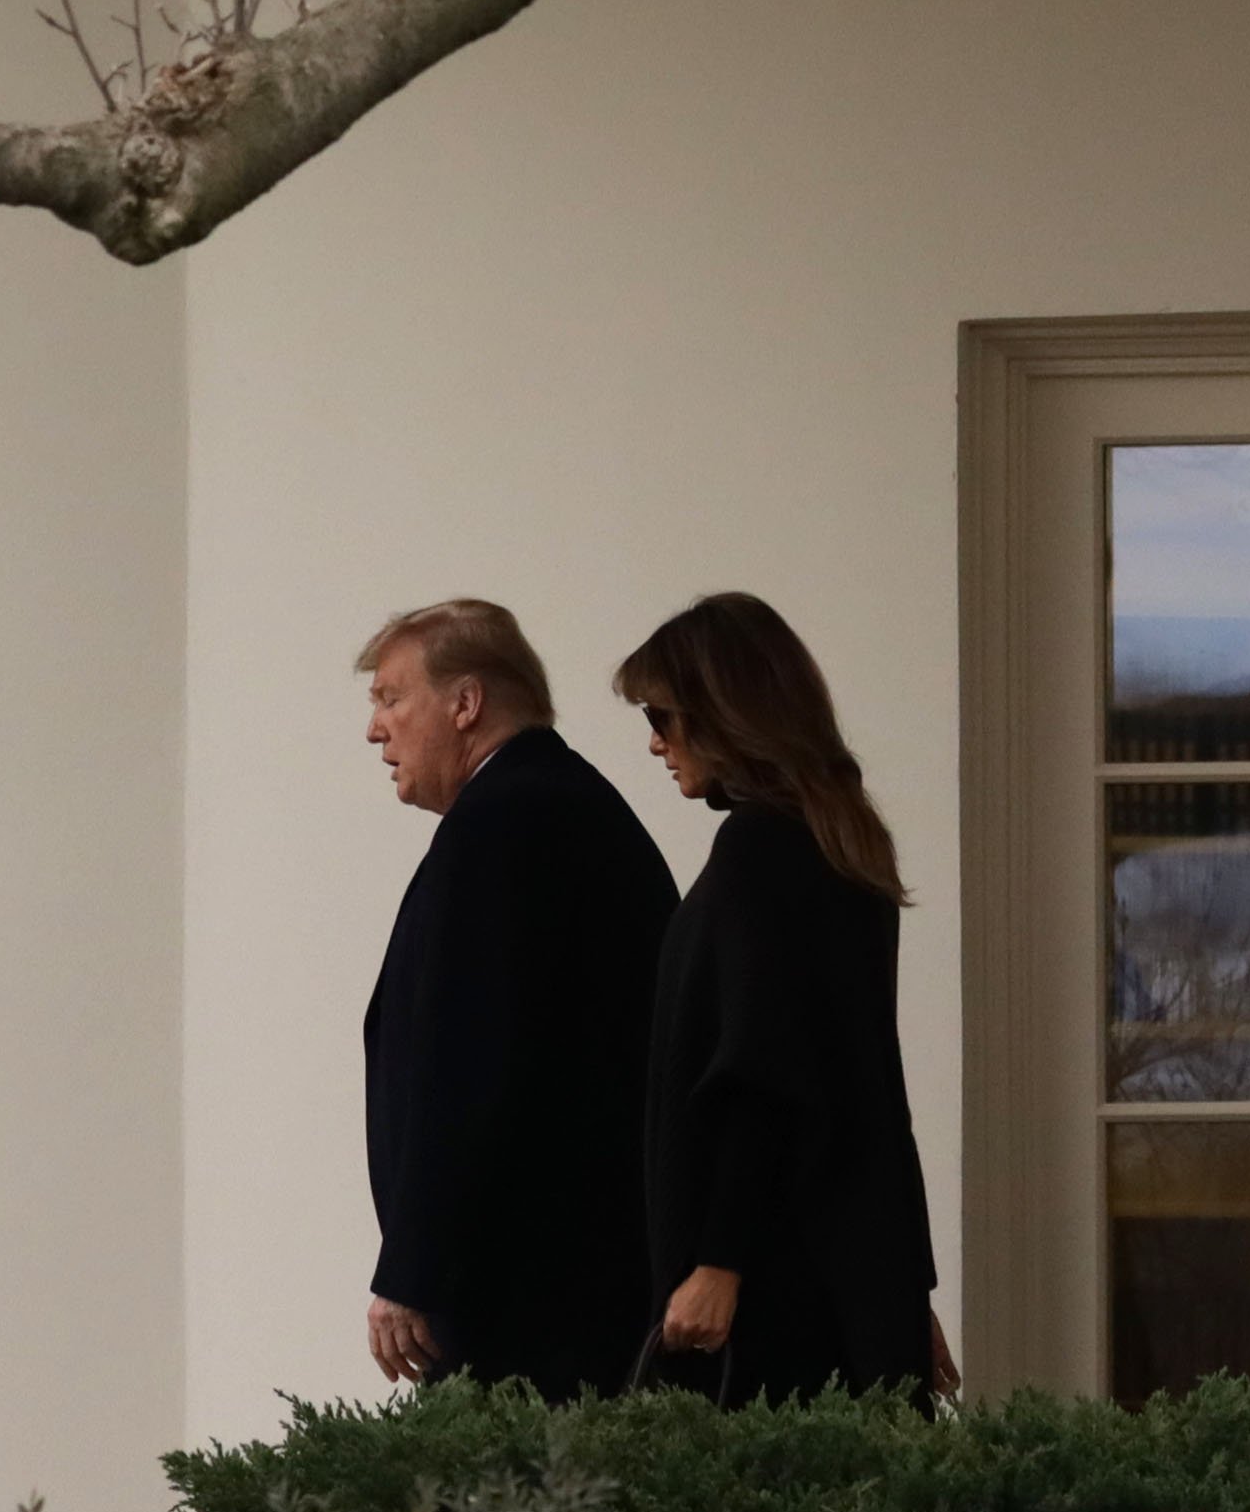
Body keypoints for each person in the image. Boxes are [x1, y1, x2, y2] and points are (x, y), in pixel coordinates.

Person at [618, 591, 951, 1407]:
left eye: (663, 715)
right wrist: (907, 1295)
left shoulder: (763, 854)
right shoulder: (834, 844)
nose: (656, 742)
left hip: (772, 1289)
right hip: (841, 1269)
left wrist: (718, 1263)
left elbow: (765, 1080)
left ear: (722, 712)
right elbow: (868, 1095)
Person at [357, 597, 679, 1400]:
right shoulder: (553, 804)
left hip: (531, 1312)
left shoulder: (509, 824)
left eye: (391, 698)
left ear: (465, 704)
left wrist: (412, 1269)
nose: (375, 730)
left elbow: (470, 1064)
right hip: (569, 1293)